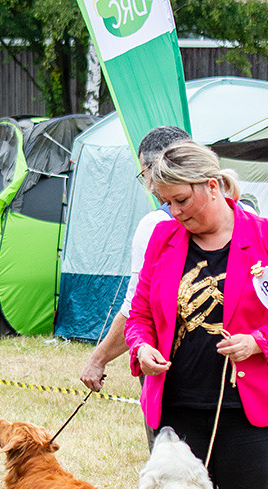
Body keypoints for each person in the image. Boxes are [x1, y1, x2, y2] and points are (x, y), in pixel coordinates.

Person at [124, 140, 268, 489]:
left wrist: (259, 340)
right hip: (177, 411)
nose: (176, 213)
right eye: (167, 203)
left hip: (248, 414)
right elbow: (140, 315)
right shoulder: (163, 239)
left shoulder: (267, 237)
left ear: (212, 186)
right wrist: (141, 348)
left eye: (181, 200)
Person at [79, 126, 191, 395]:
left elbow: (136, 309)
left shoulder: (156, 225)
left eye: (144, 174)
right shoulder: (246, 214)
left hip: (169, 368)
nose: (148, 185)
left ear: (157, 167)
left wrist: (98, 360)